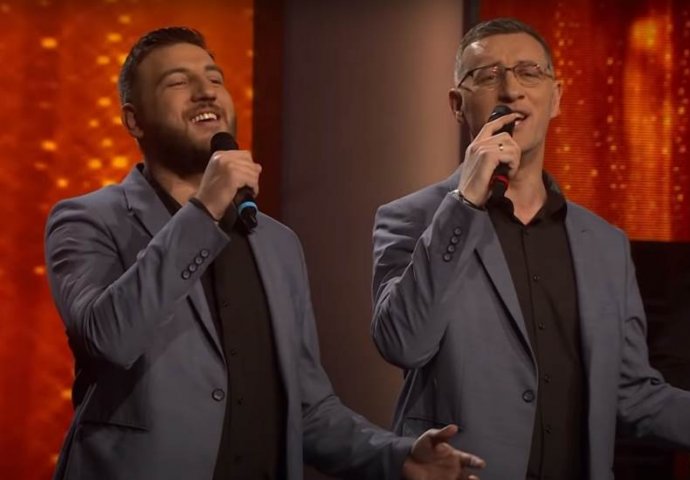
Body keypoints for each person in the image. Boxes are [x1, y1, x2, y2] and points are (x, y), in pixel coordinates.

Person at [44, 26, 486, 480]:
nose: (205, 92)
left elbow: (309, 411)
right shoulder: (88, 220)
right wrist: (205, 210)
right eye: (177, 82)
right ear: (133, 120)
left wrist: (396, 457)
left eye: (214, 79)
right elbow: (109, 337)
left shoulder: (276, 244)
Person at [370, 17, 690, 480]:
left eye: (529, 72)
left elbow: (630, 393)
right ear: (457, 105)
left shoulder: (606, 245)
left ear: (556, 97)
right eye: (488, 75)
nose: (511, 90)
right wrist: (465, 202)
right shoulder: (411, 218)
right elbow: (403, 342)